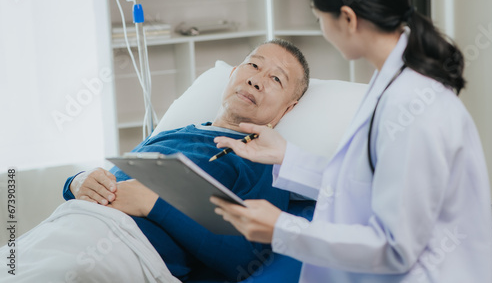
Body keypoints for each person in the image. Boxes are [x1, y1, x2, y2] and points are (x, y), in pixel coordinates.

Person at [210, 0, 492, 282]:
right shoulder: (392, 83)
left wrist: (282, 228)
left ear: (347, 19)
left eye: (320, 17)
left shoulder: (413, 104)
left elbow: (395, 247)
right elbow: (368, 184)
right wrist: (287, 156)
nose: (321, 28)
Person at [61, 38, 310, 282]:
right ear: (233, 73)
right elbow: (110, 181)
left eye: (276, 79)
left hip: (126, 253)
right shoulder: (170, 134)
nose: (256, 80)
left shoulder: (264, 163)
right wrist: (77, 182)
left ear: (287, 109)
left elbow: (245, 259)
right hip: (67, 225)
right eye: (254, 66)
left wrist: (152, 202)